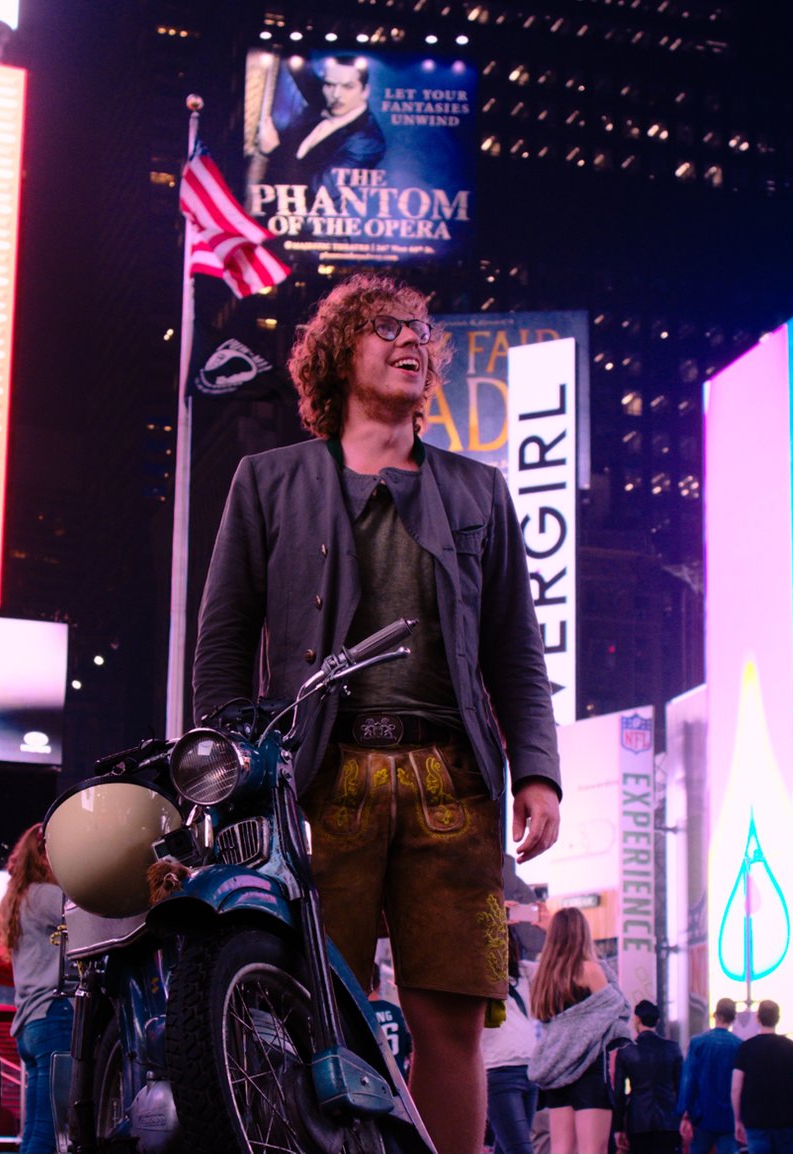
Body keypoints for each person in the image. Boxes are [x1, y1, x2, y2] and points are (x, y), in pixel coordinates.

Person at [194, 271, 562, 1153]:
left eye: (421, 335)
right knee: (313, 1011)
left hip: (456, 786)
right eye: (386, 328)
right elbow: (223, 642)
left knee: (454, 1022)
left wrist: (540, 772)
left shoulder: (480, 491)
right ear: (334, 356)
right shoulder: (268, 480)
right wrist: (231, 774)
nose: (412, 343)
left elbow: (516, 648)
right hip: (321, 783)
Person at [0, 823, 70, 1154]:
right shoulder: (46, 896)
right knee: (51, 1129)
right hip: (55, 1018)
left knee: (36, 1130)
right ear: (44, 855)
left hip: (30, 1025)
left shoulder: (20, 899)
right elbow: (88, 916)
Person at [529, 909, 629, 1154]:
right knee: (593, 1149)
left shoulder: (544, 975)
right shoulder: (590, 970)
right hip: (589, 1070)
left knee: (561, 1148)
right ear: (583, 934)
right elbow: (620, 1007)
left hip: (556, 1070)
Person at [257, 54, 388, 195]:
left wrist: (272, 151)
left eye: (348, 86)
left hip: (300, 213)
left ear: (365, 91)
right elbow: (303, 74)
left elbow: (319, 190)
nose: (336, 94)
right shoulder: (329, 100)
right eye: (330, 84)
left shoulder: (368, 142)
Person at [733, 1000, 793, 1154]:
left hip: (755, 1121)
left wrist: (737, 1120)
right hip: (787, 1120)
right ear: (778, 1018)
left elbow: (736, 1088)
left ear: (758, 1018)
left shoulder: (745, 1048)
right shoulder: (792, 1048)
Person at [484, 929, 540, 1154]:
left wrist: (544, 927)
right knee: (520, 1150)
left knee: (507, 1149)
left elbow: (558, 967)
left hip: (531, 1072)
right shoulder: (479, 980)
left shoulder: (524, 975)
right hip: (500, 1073)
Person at [610, 999, 681, 1153]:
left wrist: (618, 1128)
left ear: (637, 1019)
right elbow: (680, 1087)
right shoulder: (673, 1049)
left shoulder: (626, 1051)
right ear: (658, 1021)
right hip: (668, 1121)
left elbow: (619, 1093)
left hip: (638, 1120)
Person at [680, 998, 744, 1153]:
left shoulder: (698, 1043)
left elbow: (688, 1080)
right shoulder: (739, 1045)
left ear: (715, 1015)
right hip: (728, 1118)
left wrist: (684, 1114)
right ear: (733, 1018)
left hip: (701, 1116)